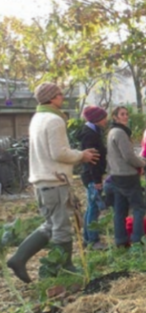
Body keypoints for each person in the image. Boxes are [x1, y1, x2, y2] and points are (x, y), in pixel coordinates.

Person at [7, 83, 99, 283]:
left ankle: (19, 259)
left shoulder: (37, 118)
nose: (63, 97)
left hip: (42, 181)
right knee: (61, 228)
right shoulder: (54, 120)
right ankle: (66, 267)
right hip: (55, 180)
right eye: (60, 94)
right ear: (52, 97)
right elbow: (59, 153)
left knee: (51, 224)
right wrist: (81, 155)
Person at [107, 106, 146, 247]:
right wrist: (142, 163)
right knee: (139, 208)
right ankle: (137, 240)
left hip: (116, 175)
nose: (125, 116)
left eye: (127, 114)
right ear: (115, 117)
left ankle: (121, 241)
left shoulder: (111, 132)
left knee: (120, 210)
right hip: (127, 176)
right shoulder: (120, 133)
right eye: (122, 114)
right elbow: (128, 156)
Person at [78, 105, 109, 249]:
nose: (105, 121)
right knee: (94, 208)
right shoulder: (90, 134)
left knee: (91, 207)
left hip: (90, 175)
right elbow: (92, 159)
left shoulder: (92, 131)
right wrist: (97, 180)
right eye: (103, 118)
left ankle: (87, 238)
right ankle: (93, 240)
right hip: (91, 176)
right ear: (97, 119)